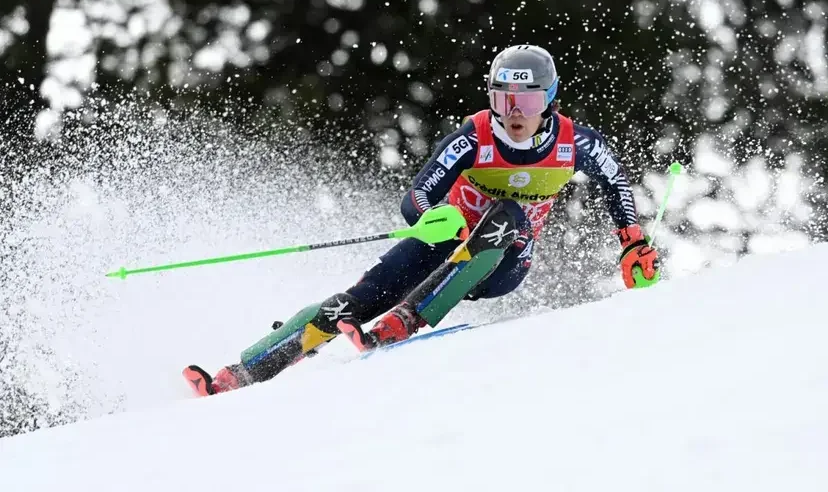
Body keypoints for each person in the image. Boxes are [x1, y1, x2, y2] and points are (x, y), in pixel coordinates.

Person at [183, 44, 661, 396]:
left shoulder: (576, 142)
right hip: (445, 245)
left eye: (529, 102)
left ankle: (408, 319)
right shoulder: (472, 136)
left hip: (502, 260)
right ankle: (238, 374)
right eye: (504, 100)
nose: (515, 115)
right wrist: (438, 217)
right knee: (347, 305)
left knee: (506, 215)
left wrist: (632, 242)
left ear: (550, 101)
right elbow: (417, 197)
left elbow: (616, 182)